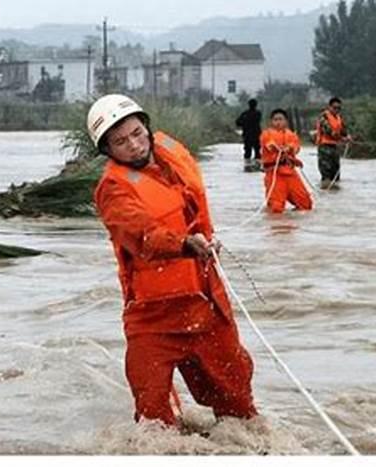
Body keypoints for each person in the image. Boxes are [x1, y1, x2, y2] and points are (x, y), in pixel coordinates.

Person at [87, 94, 258, 428]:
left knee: (240, 405)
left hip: (206, 304)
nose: (134, 145)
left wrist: (204, 241)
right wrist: (183, 243)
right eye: (121, 142)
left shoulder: (172, 156)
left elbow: (193, 210)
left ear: (148, 128)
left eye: (137, 133)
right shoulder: (113, 189)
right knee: (153, 422)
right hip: (153, 317)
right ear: (108, 151)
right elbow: (141, 233)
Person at [260, 108, 313, 214]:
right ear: (271, 121)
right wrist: (280, 149)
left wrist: (289, 149)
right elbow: (270, 146)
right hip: (275, 173)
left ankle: (294, 223)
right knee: (276, 208)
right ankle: (278, 227)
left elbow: (296, 147)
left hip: (290, 172)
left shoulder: (292, 135)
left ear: (286, 121)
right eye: (275, 120)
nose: (278, 122)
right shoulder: (266, 134)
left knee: (306, 204)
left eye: (281, 119)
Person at [314, 97, 351, 189]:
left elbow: (343, 130)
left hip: (335, 147)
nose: (337, 110)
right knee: (326, 172)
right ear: (329, 107)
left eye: (339, 108)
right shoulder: (323, 117)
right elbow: (329, 131)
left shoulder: (339, 118)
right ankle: (326, 190)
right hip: (324, 147)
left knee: (336, 172)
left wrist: (347, 136)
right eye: (334, 108)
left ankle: (335, 194)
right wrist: (342, 138)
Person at [235, 98, 262, 172]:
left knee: (247, 150)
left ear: (248, 105)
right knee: (257, 149)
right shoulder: (258, 113)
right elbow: (258, 121)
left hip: (247, 134)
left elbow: (237, 122)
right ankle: (257, 165)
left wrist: (244, 123)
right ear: (256, 105)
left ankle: (247, 166)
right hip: (256, 134)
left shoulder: (245, 114)